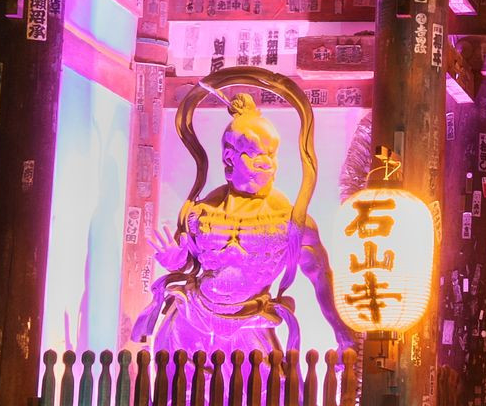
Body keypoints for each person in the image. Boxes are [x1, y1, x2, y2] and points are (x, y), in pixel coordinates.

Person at [131, 69, 352, 354]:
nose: (267, 163)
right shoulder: (202, 213)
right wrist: (174, 260)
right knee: (174, 382)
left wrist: (341, 331)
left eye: (271, 154)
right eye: (256, 154)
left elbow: (320, 275)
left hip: (250, 324)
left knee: (261, 382)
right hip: (192, 319)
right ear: (229, 157)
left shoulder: (290, 221)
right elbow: (186, 260)